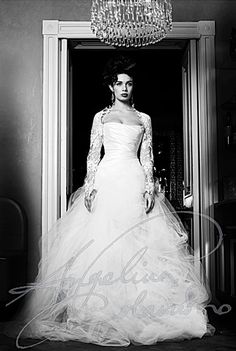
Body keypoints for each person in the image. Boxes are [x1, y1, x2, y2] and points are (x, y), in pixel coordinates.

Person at [5, 55, 215, 347]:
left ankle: (139, 310)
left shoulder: (144, 119)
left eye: (129, 83)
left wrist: (150, 188)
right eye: (119, 83)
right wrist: (90, 186)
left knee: (138, 245)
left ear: (133, 87)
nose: (125, 88)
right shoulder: (100, 117)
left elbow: (147, 158)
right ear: (111, 87)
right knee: (103, 244)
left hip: (133, 179)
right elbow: (93, 154)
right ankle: (99, 313)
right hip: (106, 180)